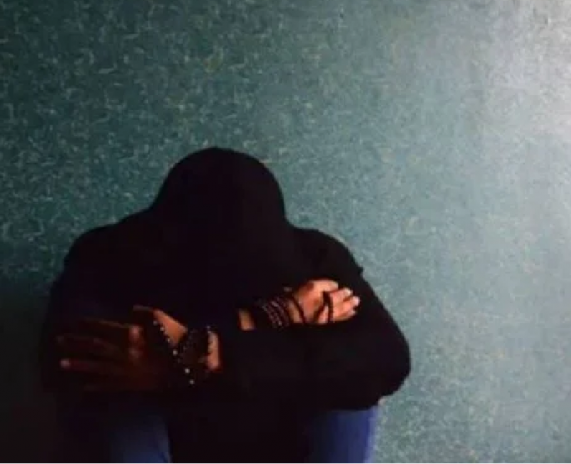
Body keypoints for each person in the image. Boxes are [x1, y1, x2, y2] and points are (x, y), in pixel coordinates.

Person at [38, 148, 410, 462]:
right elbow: (60, 363)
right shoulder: (112, 253)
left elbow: (387, 359)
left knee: (350, 388)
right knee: (109, 393)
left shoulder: (313, 256)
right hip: (172, 435)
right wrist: (265, 317)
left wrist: (208, 354)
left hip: (272, 424)